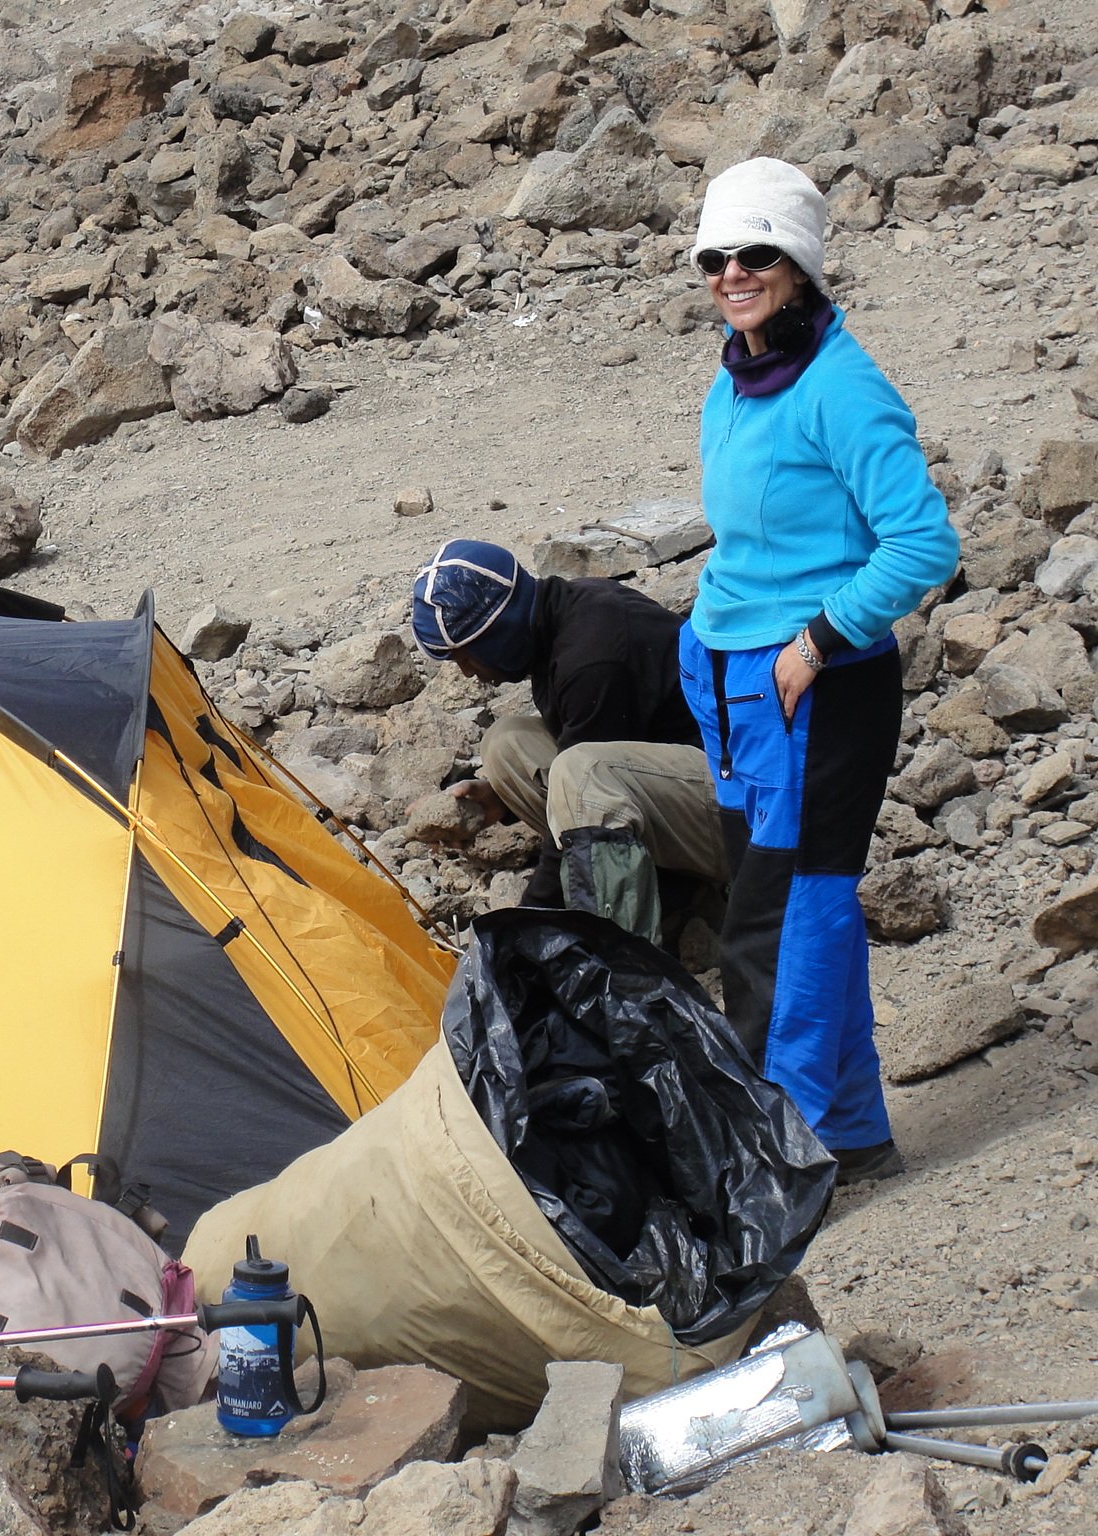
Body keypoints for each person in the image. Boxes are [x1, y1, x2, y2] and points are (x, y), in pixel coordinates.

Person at [676, 158, 959, 1185]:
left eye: (755, 254)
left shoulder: (841, 386)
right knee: (789, 906)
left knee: (785, 923)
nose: (732, 273)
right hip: (733, 684)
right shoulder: (735, 373)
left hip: (813, 687)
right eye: (715, 257)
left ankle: (779, 1165)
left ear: (797, 265)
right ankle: (849, 1132)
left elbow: (922, 544)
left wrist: (819, 639)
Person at [409, 538, 728, 944]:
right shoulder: (562, 615)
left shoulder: (593, 658)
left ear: (499, 632)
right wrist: (501, 799)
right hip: (679, 781)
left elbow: (582, 797)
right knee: (505, 743)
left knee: (581, 775)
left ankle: (622, 952)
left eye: (467, 656)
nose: (468, 673)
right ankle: (666, 884)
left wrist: (523, 931)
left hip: (744, 811)